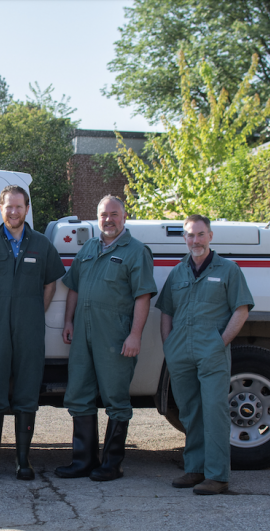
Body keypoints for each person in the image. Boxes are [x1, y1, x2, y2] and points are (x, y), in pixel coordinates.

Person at [55, 196, 157, 481]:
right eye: (103, 215)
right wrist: (68, 321)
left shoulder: (136, 251)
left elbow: (143, 296)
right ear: (97, 218)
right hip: (83, 334)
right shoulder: (88, 247)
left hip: (115, 335)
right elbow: (73, 287)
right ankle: (83, 461)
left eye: (114, 214)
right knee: (78, 394)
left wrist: (135, 335)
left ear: (124, 217)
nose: (108, 220)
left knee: (115, 396)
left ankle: (112, 464)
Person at [0, 185, 66, 480]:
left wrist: (36, 309)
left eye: (19, 207)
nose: (13, 212)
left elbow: (51, 283)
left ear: (26, 208)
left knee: (26, 392)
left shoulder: (41, 244)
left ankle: (24, 462)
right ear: (2, 208)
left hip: (30, 328)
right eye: (8, 207)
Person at [156, 215, 254, 495]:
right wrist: (169, 344)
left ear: (210, 236)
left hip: (211, 352)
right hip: (181, 353)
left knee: (214, 411)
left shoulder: (228, 270)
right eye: (190, 235)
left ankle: (217, 475)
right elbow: (166, 311)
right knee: (189, 411)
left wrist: (220, 342)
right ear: (184, 239)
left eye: (200, 234)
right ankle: (195, 469)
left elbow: (241, 309)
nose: (195, 240)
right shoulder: (177, 272)